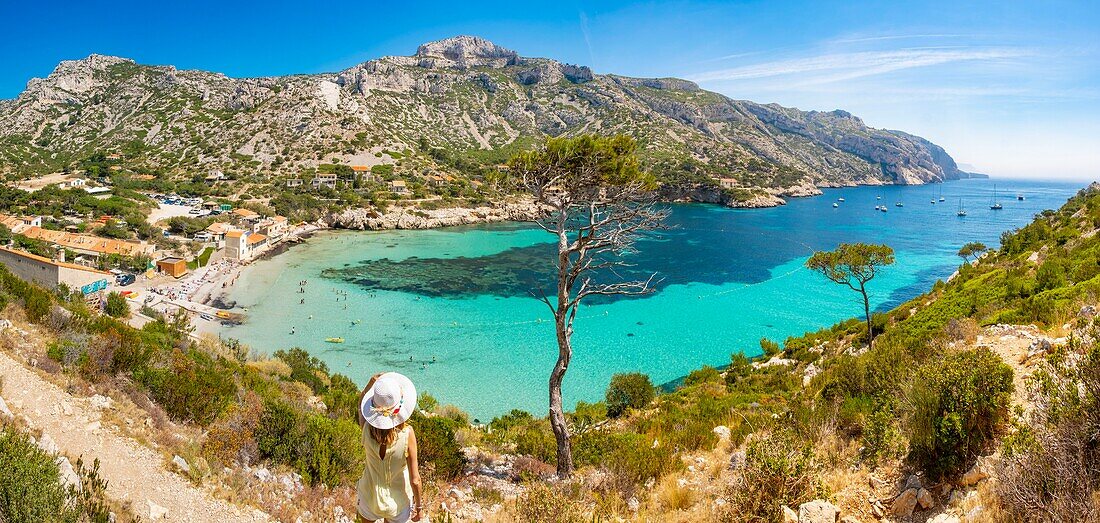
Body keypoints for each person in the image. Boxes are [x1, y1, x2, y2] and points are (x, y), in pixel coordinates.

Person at [356, 372, 424, 523]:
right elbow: (415, 480)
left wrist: (369, 384)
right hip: (398, 503)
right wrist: (419, 508)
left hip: (369, 496)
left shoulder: (366, 428)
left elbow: (360, 408)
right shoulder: (407, 434)